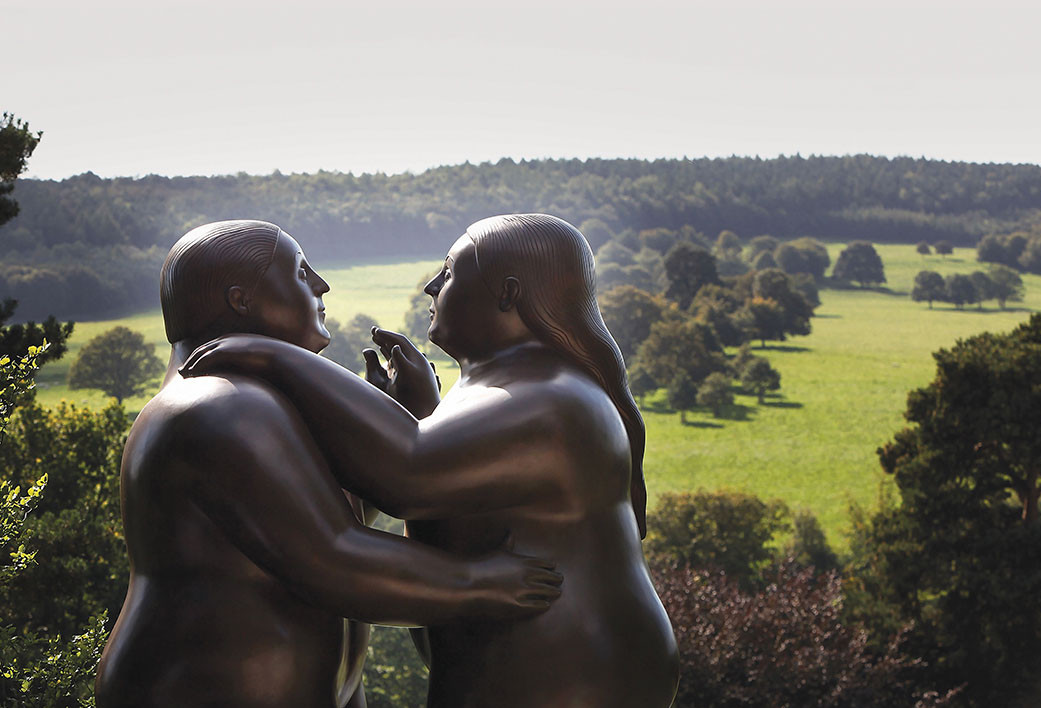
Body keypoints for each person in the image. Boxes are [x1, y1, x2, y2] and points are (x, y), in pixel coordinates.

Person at [182, 214, 680, 707]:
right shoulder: (510, 385)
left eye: (449, 271)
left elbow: (410, 474)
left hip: (569, 673)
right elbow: (449, 488)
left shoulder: (551, 396)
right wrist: (420, 411)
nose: (431, 287)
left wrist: (274, 357)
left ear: (508, 293)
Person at [95, 220, 563, 708]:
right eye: (300, 272)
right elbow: (334, 558)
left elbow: (307, 521)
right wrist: (486, 581)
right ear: (241, 300)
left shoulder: (258, 401)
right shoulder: (220, 406)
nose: (322, 285)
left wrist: (386, 422)